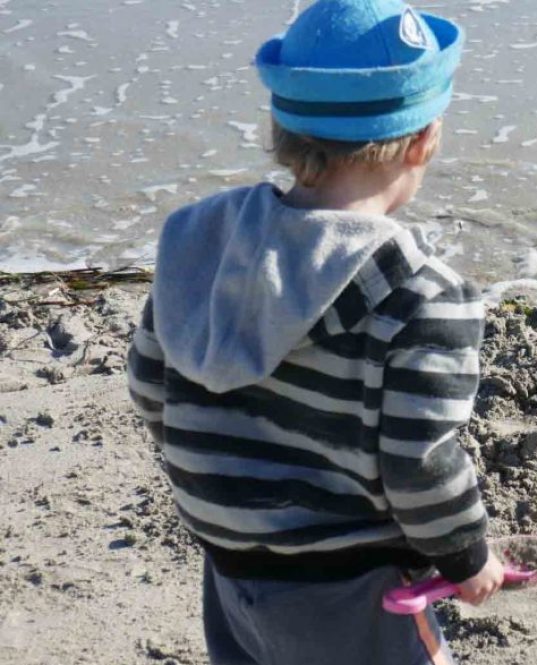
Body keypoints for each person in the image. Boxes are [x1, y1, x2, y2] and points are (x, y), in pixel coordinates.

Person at [126, 1, 502, 663]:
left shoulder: (201, 246)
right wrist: (466, 554)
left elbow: (150, 388)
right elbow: (419, 464)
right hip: (353, 589)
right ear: (424, 140)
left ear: (282, 128)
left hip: (234, 569)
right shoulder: (421, 296)